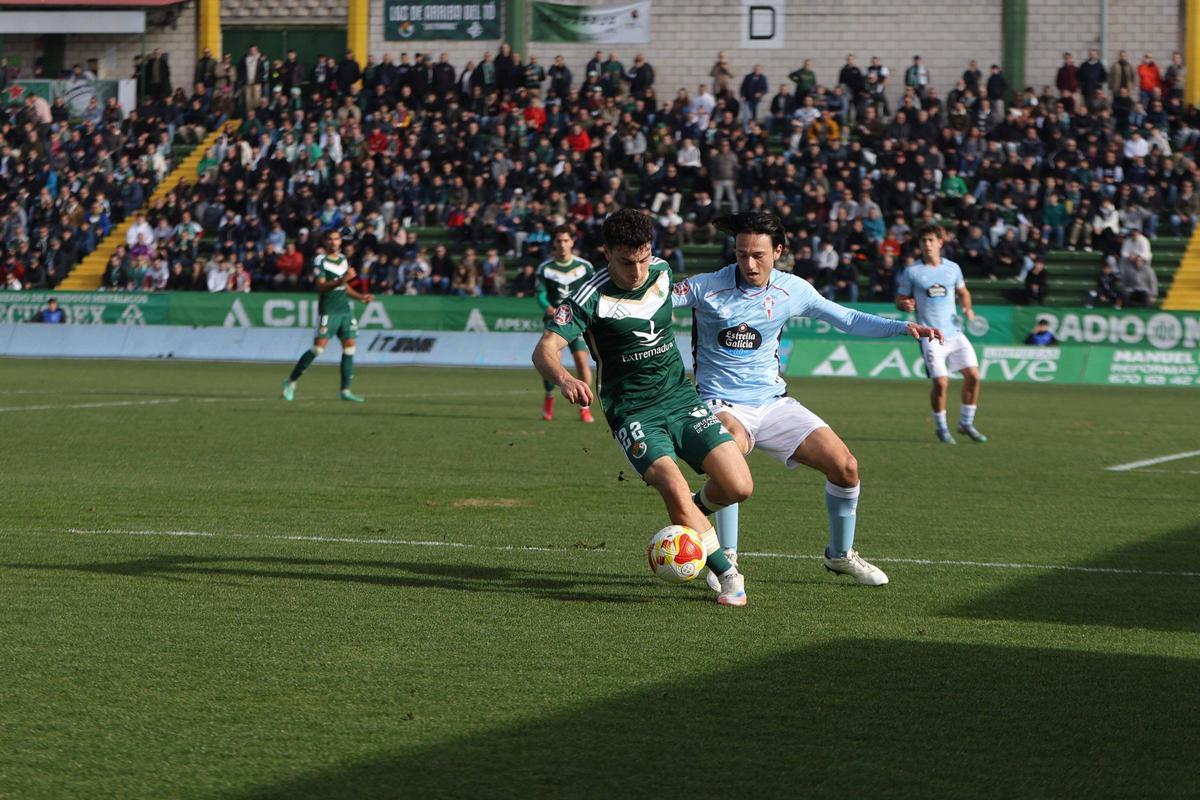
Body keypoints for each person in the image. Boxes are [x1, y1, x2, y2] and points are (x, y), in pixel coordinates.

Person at [674, 212, 943, 589]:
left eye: (758, 255)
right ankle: (727, 558)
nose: (748, 264)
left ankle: (839, 555)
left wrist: (902, 327)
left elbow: (846, 318)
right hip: (719, 401)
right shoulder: (706, 286)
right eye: (741, 254)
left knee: (845, 466)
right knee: (730, 456)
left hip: (772, 401)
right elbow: (654, 300)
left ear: (778, 252)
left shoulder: (793, 289)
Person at [531, 208, 753, 606]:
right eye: (625, 262)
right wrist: (565, 378)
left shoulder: (663, 271)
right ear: (606, 254)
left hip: (680, 398)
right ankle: (727, 572)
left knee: (739, 486)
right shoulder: (588, 296)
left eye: (643, 258)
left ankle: (690, 513)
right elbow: (545, 349)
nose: (636, 271)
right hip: (632, 411)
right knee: (673, 484)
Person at [896, 225, 988, 444]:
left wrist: (968, 307)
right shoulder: (913, 272)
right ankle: (941, 427)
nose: (927, 244)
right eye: (923, 241)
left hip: (954, 333)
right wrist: (905, 304)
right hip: (930, 335)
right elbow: (899, 299)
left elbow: (963, 292)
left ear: (940, 242)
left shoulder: (953, 268)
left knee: (974, 376)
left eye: (930, 240)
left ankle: (966, 423)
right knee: (942, 383)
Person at [281, 231, 374, 403]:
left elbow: (344, 286)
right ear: (325, 242)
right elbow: (321, 286)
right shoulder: (320, 260)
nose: (334, 242)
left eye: (337, 239)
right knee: (318, 348)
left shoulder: (343, 260)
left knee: (350, 346)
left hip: (344, 310)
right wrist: (341, 279)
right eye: (330, 239)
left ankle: (345, 390)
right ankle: (290, 381)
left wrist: (360, 296)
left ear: (340, 241)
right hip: (329, 310)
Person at [535, 225, 596, 423]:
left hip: (578, 323)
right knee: (551, 361)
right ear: (554, 243)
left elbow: (594, 291)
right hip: (555, 322)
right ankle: (549, 398)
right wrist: (548, 308)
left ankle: (584, 407)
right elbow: (540, 294)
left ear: (572, 242)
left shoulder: (584, 267)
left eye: (565, 240)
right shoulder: (546, 268)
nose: (562, 244)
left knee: (582, 363)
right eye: (558, 241)